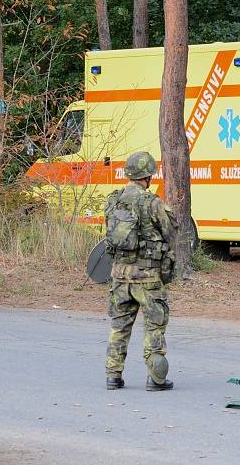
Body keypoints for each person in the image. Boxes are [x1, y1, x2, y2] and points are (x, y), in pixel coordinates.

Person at [104, 151, 177, 391]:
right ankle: (156, 379)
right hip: (148, 278)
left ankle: (113, 376)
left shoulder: (113, 200)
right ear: (147, 176)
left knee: (119, 327)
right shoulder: (152, 202)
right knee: (154, 326)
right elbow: (170, 231)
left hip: (119, 276)